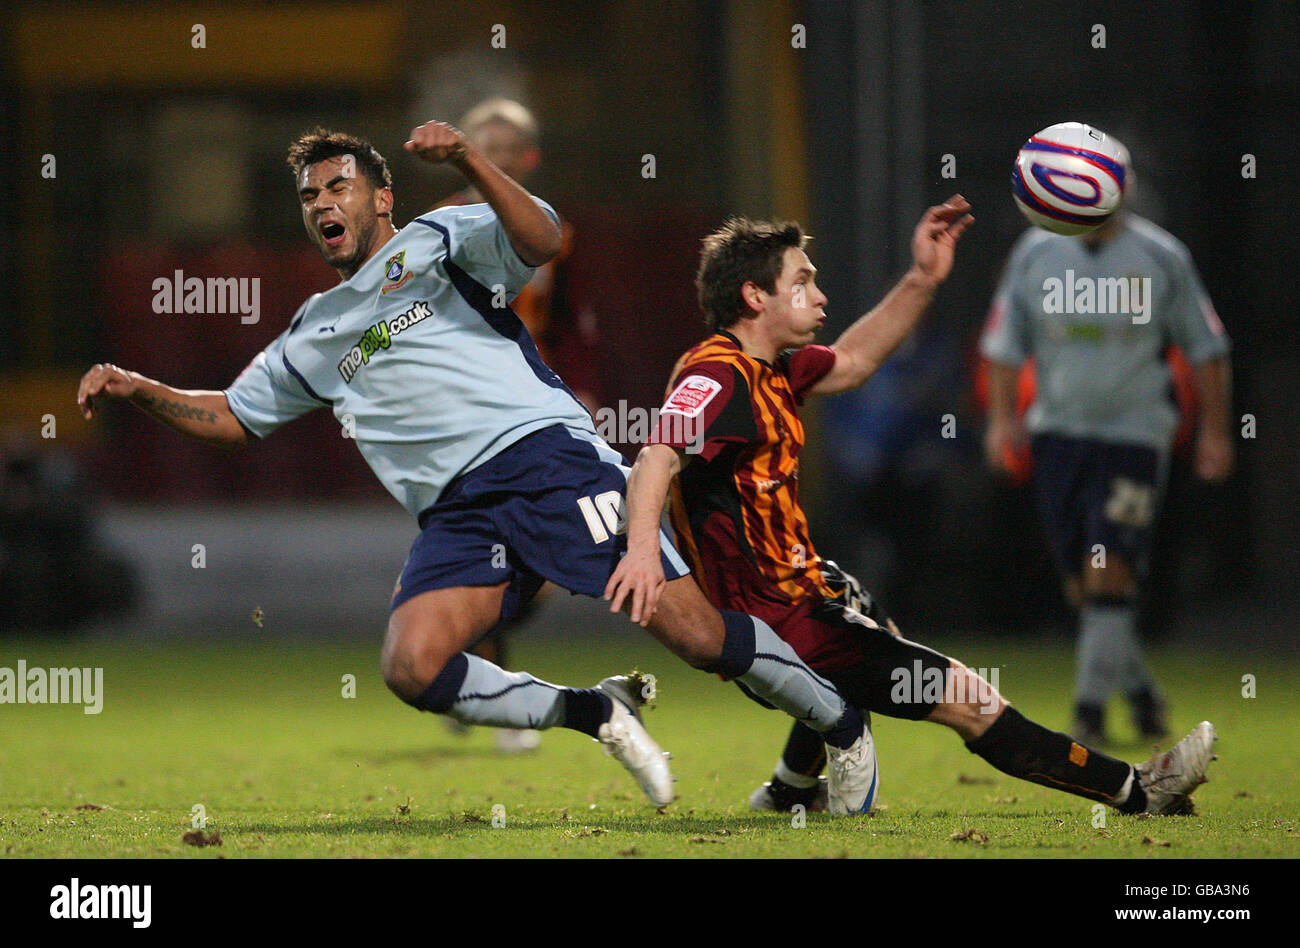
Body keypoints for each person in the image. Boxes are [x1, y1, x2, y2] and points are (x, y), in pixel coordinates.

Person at [76, 120, 880, 812]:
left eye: (338, 186)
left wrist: (467, 160)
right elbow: (232, 417)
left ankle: (840, 722)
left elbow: (542, 240)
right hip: (460, 513)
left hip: (548, 463)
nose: (323, 203)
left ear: (380, 198)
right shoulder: (314, 331)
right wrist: (138, 387)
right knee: (411, 664)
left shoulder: (440, 237)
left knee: (698, 637)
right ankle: (591, 712)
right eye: (310, 196)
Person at [608, 205, 1218, 818]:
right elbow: (657, 453)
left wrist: (923, 277)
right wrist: (642, 554)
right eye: (802, 282)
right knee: (967, 698)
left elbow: (854, 360)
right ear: (753, 296)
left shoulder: (774, 370)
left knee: (863, 607)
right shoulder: (719, 374)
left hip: (801, 595)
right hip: (780, 623)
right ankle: (1139, 789)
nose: (820, 296)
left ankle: (790, 789)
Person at [981, 141, 1233, 745]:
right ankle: (1143, 694)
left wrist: (1216, 432)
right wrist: (1000, 421)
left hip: (1134, 435)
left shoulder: (1162, 256)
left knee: (1111, 571)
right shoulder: (1036, 252)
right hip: (1057, 435)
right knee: (1084, 586)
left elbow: (1207, 348)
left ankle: (1087, 715)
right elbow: (1002, 344)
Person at [427, 98, 596, 753]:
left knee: (540, 563)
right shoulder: (439, 225)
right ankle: (496, 693)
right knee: (480, 543)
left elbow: (577, 322)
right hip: (462, 411)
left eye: (504, 148)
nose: (491, 158)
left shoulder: (553, 231)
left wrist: (582, 390)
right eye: (480, 145)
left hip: (535, 408)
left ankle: (463, 669)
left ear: (528, 157)